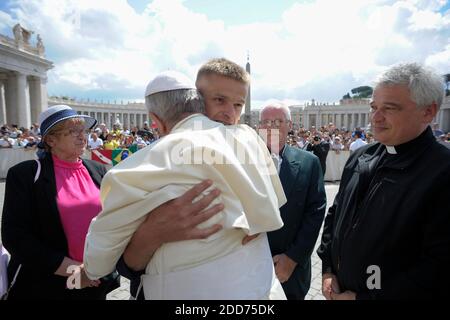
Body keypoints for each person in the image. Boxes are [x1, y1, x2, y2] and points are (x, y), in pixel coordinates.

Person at [84, 71, 287, 300]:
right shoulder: (250, 139)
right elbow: (275, 203)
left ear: (155, 121)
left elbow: (96, 264)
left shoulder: (131, 171)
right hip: (260, 289)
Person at [115, 58, 257, 299]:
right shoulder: (153, 160)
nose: (230, 114)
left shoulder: (250, 154)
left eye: (238, 105)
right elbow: (127, 260)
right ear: (197, 102)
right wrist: (152, 233)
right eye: (219, 100)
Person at [317, 62, 450, 300]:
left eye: (389, 108)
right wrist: (328, 269)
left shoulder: (443, 171)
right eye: (374, 107)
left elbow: (438, 267)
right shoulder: (361, 156)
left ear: (428, 112)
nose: (375, 118)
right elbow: (335, 213)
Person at [1, 105, 120, 299]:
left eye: (84, 130)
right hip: (46, 284)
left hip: (95, 283)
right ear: (50, 140)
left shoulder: (98, 170)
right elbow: (15, 236)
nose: (82, 136)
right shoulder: (26, 174)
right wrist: (72, 270)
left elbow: (112, 222)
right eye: (73, 131)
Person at [259, 103, 326, 299]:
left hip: (291, 268)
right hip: (249, 263)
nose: (271, 126)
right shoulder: (241, 162)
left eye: (278, 121)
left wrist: (293, 258)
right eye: (266, 122)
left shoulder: (309, 162)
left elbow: (316, 212)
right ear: (259, 127)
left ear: (290, 125)